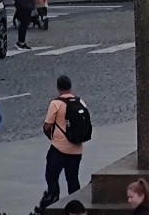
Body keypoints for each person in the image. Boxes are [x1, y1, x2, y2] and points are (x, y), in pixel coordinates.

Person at [37, 75, 88, 210]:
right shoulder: (80, 102)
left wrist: (52, 137)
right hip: (77, 148)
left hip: (59, 148)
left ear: (58, 88)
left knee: (52, 176)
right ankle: (76, 208)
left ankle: (54, 202)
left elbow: (47, 126)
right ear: (70, 86)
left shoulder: (56, 103)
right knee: (73, 179)